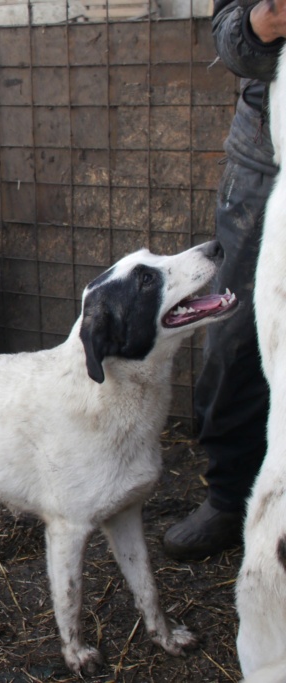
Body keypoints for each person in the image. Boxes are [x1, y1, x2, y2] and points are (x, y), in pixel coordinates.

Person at [162, 0, 282, 561]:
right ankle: (229, 496)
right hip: (265, 169)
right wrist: (263, 25)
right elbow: (230, 37)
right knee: (237, 337)